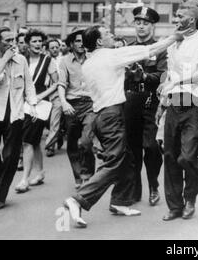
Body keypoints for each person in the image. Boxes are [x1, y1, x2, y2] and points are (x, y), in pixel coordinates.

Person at [63, 26, 179, 228]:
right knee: (115, 162)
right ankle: (78, 199)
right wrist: (174, 37)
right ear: (99, 42)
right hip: (112, 114)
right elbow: (151, 50)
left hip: (101, 114)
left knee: (127, 158)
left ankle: (119, 201)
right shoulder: (110, 55)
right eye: (107, 34)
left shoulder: (90, 63)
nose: (112, 36)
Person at [160, 1, 198, 222]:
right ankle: (175, 206)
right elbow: (170, 74)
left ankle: (190, 197)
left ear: (191, 20)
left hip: (196, 105)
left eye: (179, 16)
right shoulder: (174, 43)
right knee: (170, 156)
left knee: (187, 157)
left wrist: (177, 82)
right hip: (174, 104)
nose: (175, 20)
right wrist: (164, 87)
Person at [0, 27, 37, 210]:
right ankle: (5, 179)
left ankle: (0, 195)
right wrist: (4, 60)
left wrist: (32, 105)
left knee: (10, 156)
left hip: (15, 113)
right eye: (7, 40)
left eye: (14, 40)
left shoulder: (21, 60)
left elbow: (28, 84)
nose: (12, 44)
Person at [124, 6, 166, 206]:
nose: (141, 27)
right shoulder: (128, 49)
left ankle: (153, 186)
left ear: (153, 26)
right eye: (138, 23)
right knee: (132, 148)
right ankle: (134, 190)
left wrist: (145, 76)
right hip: (131, 100)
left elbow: (162, 75)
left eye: (146, 23)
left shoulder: (159, 49)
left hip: (151, 100)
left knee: (150, 146)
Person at [15, 30, 58, 193]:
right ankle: (39, 173)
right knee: (33, 141)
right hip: (22, 103)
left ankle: (24, 179)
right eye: (34, 41)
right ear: (27, 43)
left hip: (38, 105)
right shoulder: (22, 59)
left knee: (26, 141)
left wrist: (40, 97)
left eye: (40, 41)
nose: (38, 44)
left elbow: (56, 83)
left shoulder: (48, 60)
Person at [58, 29, 96, 190]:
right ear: (71, 44)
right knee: (72, 143)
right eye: (78, 41)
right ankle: (78, 176)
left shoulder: (93, 59)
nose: (81, 44)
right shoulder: (64, 61)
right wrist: (64, 103)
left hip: (90, 104)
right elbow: (61, 84)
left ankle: (88, 175)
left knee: (86, 141)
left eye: (83, 41)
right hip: (72, 105)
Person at [44, 39, 63, 158]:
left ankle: (50, 146)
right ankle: (58, 135)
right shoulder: (44, 60)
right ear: (47, 49)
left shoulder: (64, 60)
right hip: (46, 92)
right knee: (47, 120)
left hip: (60, 92)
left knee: (54, 120)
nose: (55, 49)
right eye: (52, 48)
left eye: (57, 47)